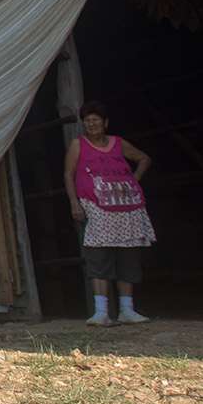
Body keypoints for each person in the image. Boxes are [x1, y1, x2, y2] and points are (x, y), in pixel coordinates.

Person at [63, 101, 155, 326]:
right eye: (87, 121)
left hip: (127, 208)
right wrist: (74, 203)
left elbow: (144, 159)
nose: (91, 124)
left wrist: (134, 181)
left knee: (128, 255)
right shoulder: (78, 145)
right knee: (98, 255)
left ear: (105, 123)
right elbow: (68, 174)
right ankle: (101, 312)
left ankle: (127, 310)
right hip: (96, 207)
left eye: (95, 119)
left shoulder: (118, 143)